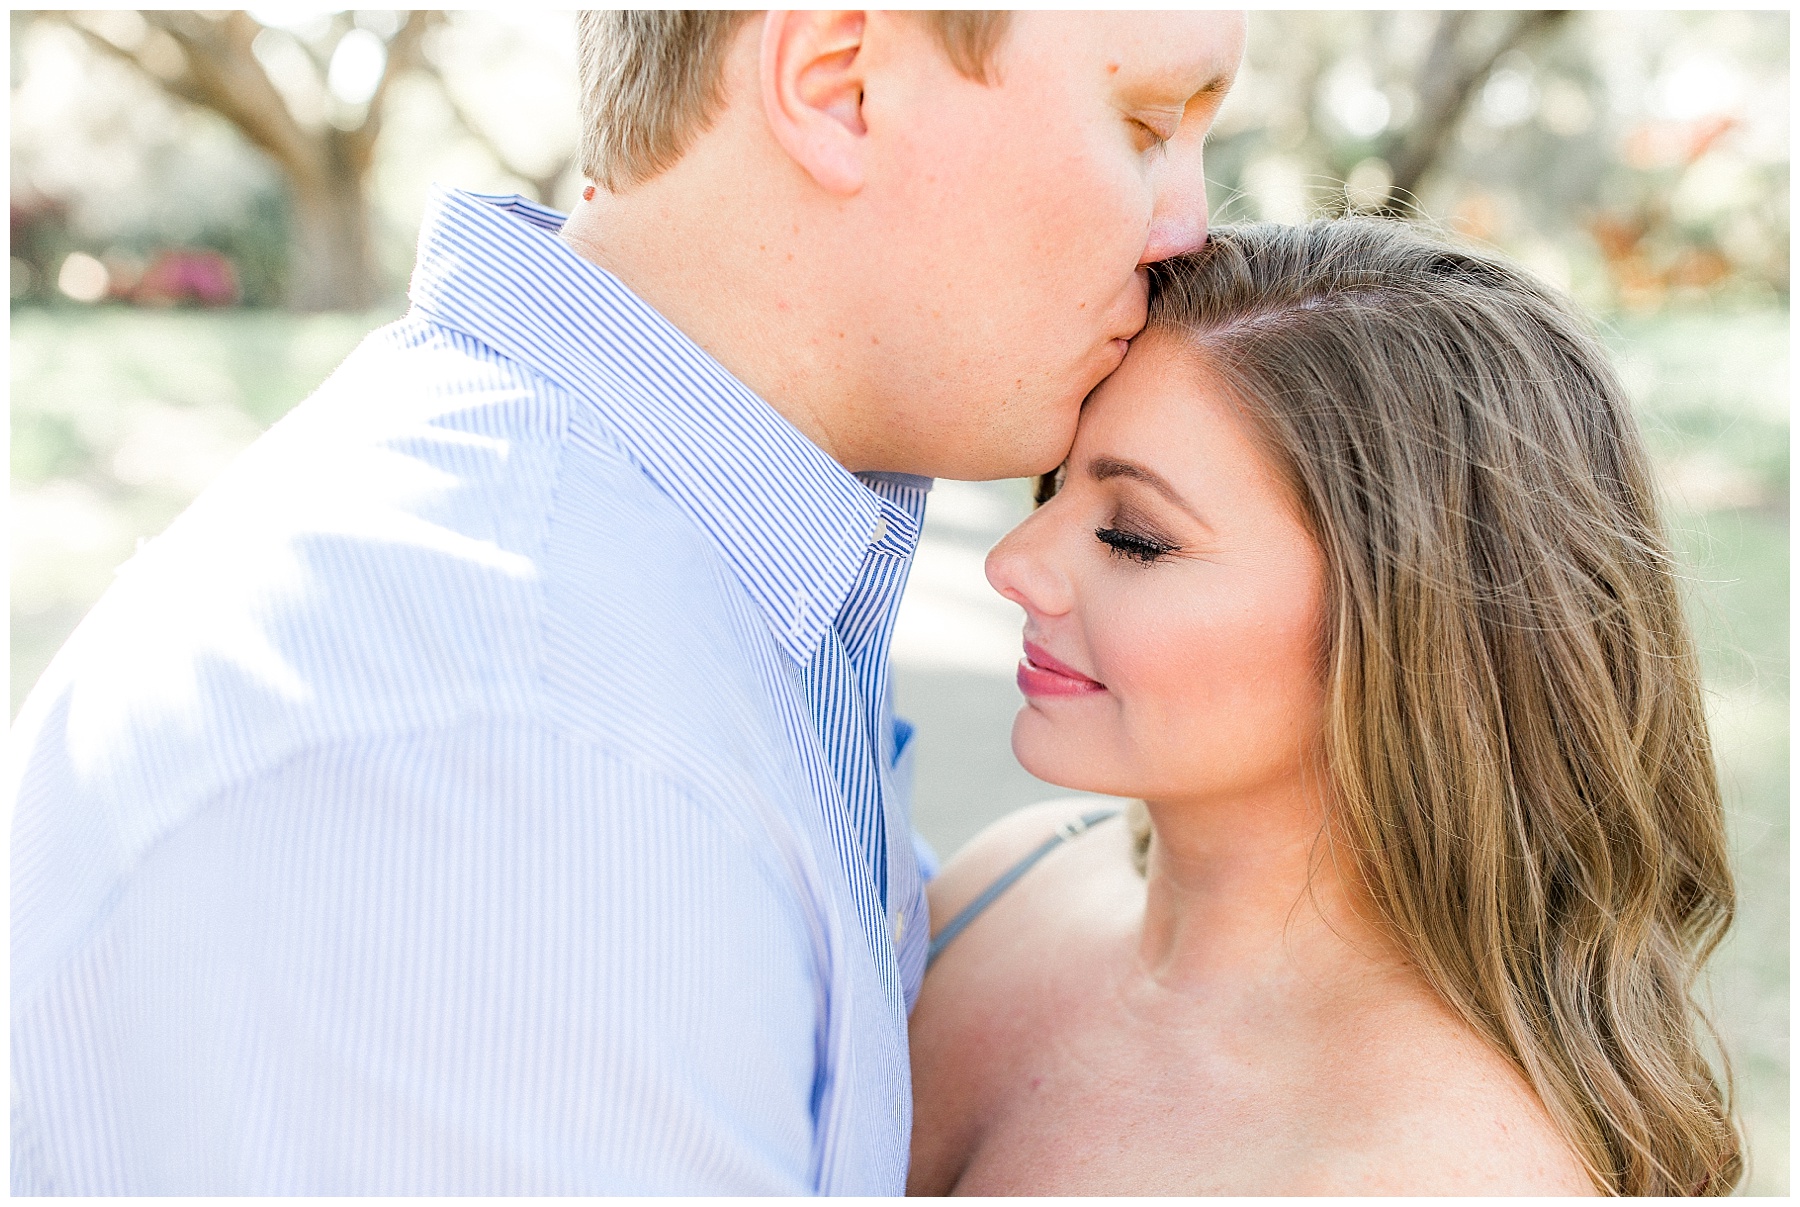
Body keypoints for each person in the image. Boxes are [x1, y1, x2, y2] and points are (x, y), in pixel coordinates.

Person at [7, 10, 1245, 1195]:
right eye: (1143, 125)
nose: (1190, 226)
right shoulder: (523, 748)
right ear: (839, 83)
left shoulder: (665, 589)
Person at [908, 219, 1742, 1196]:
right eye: (1052, 488)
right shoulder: (1010, 875)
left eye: (1134, 536)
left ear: (1410, 625)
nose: (1014, 565)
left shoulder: (1434, 1172)